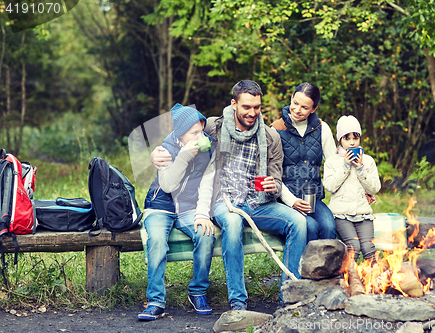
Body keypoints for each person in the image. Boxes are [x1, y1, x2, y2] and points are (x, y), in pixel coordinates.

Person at [151, 80, 307, 311]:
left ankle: (289, 297)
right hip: (223, 201)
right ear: (234, 104)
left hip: (258, 201)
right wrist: (158, 152)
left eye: (257, 107)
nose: (252, 112)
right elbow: (181, 131)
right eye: (246, 107)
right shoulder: (214, 126)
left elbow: (275, 175)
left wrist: (272, 185)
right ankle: (238, 302)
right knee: (233, 224)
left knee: (299, 222)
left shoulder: (270, 137)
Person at [138, 104, 216, 321]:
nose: (201, 136)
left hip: (189, 207)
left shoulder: (207, 149)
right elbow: (167, 186)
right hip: (160, 205)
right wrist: (183, 156)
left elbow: (207, 183)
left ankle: (197, 291)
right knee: (156, 242)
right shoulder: (165, 150)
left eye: (202, 131)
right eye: (195, 133)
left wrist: (202, 213)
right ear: (181, 135)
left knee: (205, 234)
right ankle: (155, 301)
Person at [271, 82, 337, 242]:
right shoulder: (276, 130)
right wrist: (291, 201)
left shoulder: (323, 129)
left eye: (304, 107)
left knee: (329, 227)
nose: (297, 110)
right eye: (295, 103)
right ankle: (306, 267)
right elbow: (272, 174)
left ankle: (327, 266)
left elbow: (335, 166)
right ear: (291, 98)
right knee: (310, 227)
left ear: (313, 109)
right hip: (287, 200)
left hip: (313, 199)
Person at [323, 115, 381, 262]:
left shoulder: (367, 161)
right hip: (340, 213)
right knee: (353, 247)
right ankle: (349, 282)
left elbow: (374, 188)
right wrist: (345, 165)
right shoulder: (332, 161)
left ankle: (373, 283)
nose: (352, 142)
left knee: (369, 249)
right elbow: (330, 186)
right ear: (340, 140)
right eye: (347, 138)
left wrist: (361, 169)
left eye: (355, 138)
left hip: (363, 213)